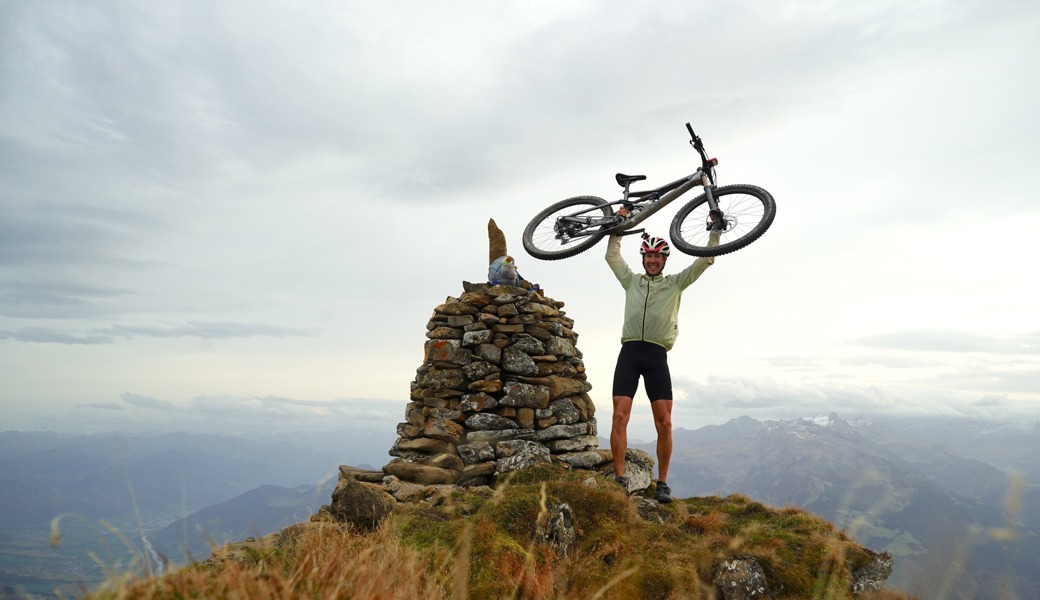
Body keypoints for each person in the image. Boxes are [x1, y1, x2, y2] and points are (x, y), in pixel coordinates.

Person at [605, 225, 720, 503]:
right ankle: (619, 479)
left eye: (658, 257)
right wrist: (617, 230)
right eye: (648, 256)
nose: (652, 260)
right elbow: (612, 256)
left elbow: (705, 260)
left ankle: (663, 484)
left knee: (665, 424)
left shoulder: (675, 283)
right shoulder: (631, 281)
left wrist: (715, 231)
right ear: (643, 259)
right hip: (629, 353)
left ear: (665, 260)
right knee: (619, 417)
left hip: (657, 356)